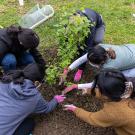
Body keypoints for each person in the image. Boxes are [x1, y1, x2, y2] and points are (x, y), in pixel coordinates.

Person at [64, 69, 135, 135]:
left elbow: (92, 118)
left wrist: (75, 109)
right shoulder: (127, 85)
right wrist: (88, 91)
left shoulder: (115, 112)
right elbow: (106, 93)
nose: (96, 88)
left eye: (98, 87)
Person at [0, 63, 65, 135]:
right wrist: (56, 99)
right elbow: (47, 108)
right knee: (29, 123)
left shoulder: (6, 80)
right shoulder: (34, 97)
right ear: (36, 82)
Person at [60, 43, 135, 87]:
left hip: (132, 62)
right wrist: (67, 70)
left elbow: (96, 83)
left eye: (91, 63)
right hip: (131, 48)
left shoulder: (108, 67)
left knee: (121, 77)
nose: (88, 62)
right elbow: (81, 59)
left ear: (101, 63)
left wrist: (77, 86)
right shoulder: (100, 49)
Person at [64, 8, 105, 82]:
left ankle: (95, 51)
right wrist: (66, 67)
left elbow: (87, 49)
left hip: (98, 25)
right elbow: (66, 40)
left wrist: (80, 69)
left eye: (78, 32)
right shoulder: (68, 23)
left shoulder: (89, 26)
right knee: (78, 44)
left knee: (96, 41)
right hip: (86, 26)